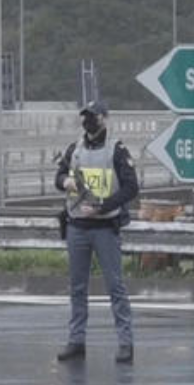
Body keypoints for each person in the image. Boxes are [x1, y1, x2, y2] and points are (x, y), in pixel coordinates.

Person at [54, 101, 140, 364]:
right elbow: (58, 177)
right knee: (77, 288)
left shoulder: (117, 149)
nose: (89, 122)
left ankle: (125, 343)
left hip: (105, 226)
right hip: (78, 226)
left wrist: (104, 206)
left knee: (115, 286)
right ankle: (76, 340)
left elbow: (131, 188)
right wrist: (65, 181)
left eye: (93, 117)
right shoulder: (75, 148)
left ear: (105, 118)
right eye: (86, 117)